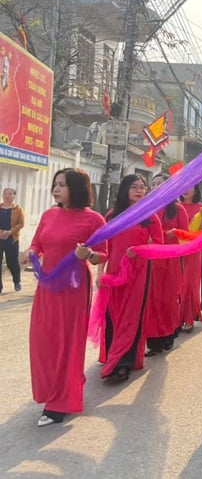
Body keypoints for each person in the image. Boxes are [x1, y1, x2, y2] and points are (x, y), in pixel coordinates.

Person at [22, 168, 107, 426]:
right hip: (47, 288)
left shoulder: (93, 219)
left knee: (66, 343)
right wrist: (30, 252)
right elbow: (38, 243)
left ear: (78, 188)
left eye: (63, 185)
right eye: (55, 184)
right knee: (42, 341)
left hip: (73, 289)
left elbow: (103, 253)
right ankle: (50, 390)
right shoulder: (49, 214)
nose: (56, 189)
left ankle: (61, 401)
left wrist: (88, 255)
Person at [98, 174, 163, 382]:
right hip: (114, 271)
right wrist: (100, 275)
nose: (139, 190)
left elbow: (159, 246)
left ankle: (123, 364)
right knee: (112, 316)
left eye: (142, 187)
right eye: (134, 187)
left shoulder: (150, 216)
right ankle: (111, 357)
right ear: (125, 189)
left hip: (139, 272)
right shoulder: (112, 215)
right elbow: (102, 247)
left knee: (131, 317)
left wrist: (141, 250)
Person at [144, 173, 188, 355]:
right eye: (153, 184)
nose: (155, 187)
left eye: (159, 184)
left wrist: (175, 232)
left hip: (171, 260)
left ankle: (168, 334)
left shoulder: (177, 209)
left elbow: (186, 235)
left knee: (169, 298)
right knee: (151, 300)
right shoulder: (146, 209)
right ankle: (153, 340)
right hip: (152, 261)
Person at [179, 185, 202, 332]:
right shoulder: (175, 207)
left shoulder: (201, 208)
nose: (186, 188)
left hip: (193, 251)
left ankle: (188, 318)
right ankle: (177, 318)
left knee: (190, 284)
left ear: (196, 189)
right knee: (177, 285)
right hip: (176, 250)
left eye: (190, 186)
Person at [0, 187, 24, 293]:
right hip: (0, 237)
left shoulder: (18, 209)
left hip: (12, 239)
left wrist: (9, 232)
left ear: (14, 196)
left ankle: (17, 281)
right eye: (5, 193)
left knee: (12, 262)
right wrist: (1, 233)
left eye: (10, 194)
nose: (7, 196)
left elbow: (21, 224)